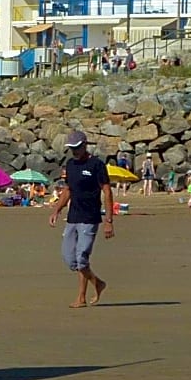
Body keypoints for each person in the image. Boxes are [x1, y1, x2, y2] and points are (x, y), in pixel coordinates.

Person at [48, 130, 114, 309]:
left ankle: (81, 297)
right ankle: (97, 283)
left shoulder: (96, 165)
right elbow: (68, 190)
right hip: (72, 218)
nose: (75, 152)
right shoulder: (70, 164)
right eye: (72, 149)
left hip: (90, 218)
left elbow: (107, 191)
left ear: (85, 145)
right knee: (70, 259)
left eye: (77, 148)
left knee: (82, 258)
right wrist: (56, 210)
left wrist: (109, 221)